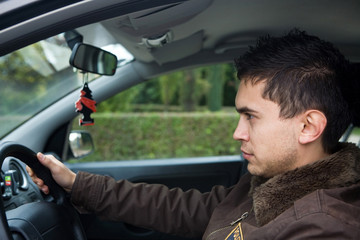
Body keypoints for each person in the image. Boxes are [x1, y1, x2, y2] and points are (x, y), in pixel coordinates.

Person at [27, 29, 360, 239]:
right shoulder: (266, 184)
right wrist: (76, 183)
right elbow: (179, 208)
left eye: (250, 117)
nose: (237, 133)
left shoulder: (324, 228)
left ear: (308, 127)